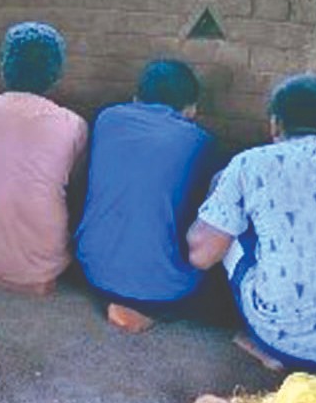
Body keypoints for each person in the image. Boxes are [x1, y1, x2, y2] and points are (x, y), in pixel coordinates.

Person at [186, 75, 316, 378]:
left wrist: (212, 198)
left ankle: (262, 343)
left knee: (227, 230)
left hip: (278, 341)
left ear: (275, 124)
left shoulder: (248, 164)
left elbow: (201, 256)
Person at [77, 59, 221, 332]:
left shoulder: (106, 120)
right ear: (191, 109)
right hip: (163, 290)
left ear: (136, 98)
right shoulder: (201, 142)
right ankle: (145, 311)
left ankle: (121, 303)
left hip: (93, 270)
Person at [0, 22, 87, 294]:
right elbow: (73, 186)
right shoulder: (74, 125)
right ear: (56, 74)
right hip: (51, 258)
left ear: (3, 65)